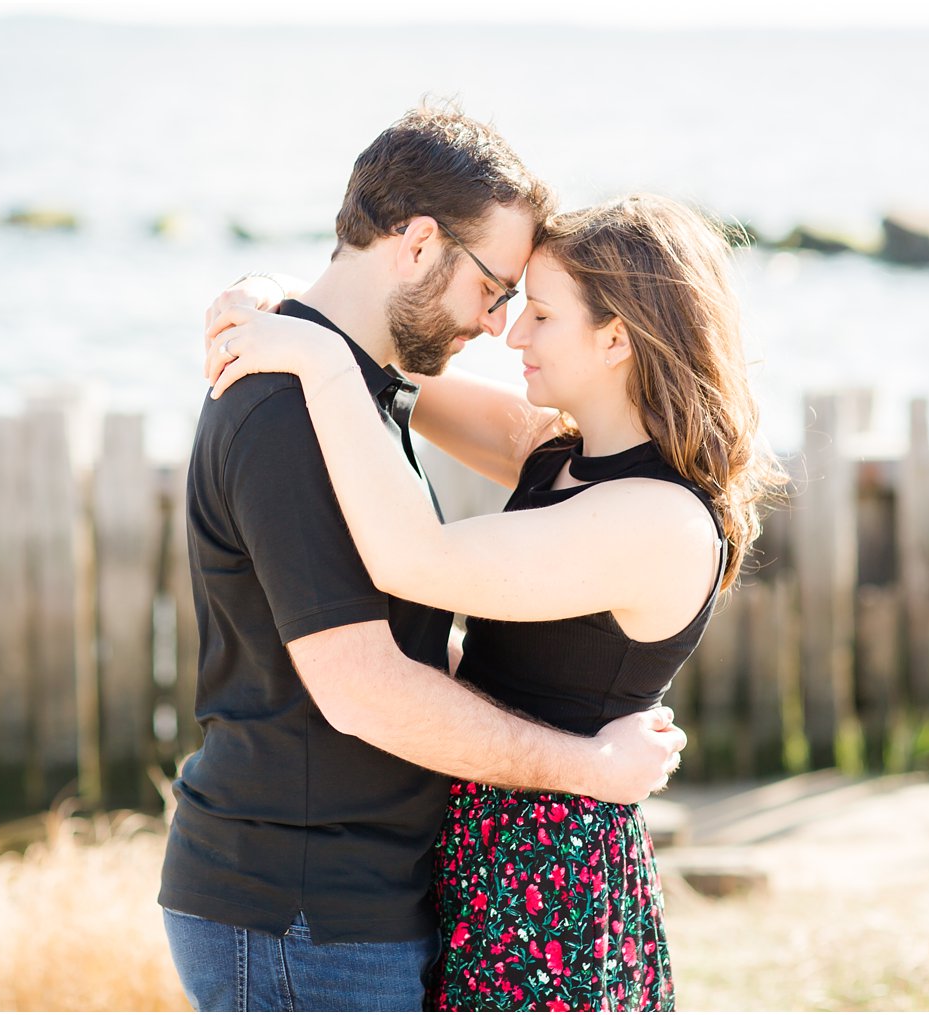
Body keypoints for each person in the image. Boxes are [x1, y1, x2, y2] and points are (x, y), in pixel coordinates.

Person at [161, 104, 687, 1014]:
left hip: (357, 898)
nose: (500, 327)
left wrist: (289, 307)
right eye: (495, 289)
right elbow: (364, 683)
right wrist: (587, 764)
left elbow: (404, 627)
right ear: (415, 244)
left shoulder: (356, 391)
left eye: (529, 307)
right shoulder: (293, 409)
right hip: (299, 904)